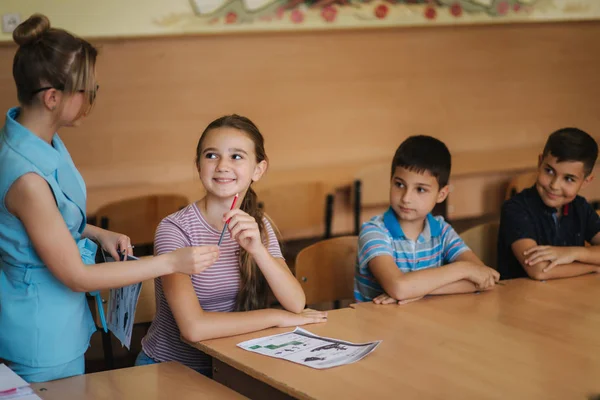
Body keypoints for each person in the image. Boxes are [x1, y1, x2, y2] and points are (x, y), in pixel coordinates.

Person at [0, 14, 216, 382]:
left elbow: (52, 220)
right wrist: (168, 262)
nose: (92, 99)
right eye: (88, 91)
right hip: (42, 333)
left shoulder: (37, 139)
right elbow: (78, 276)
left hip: (60, 318)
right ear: (53, 97)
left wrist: (95, 232)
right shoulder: (27, 178)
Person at [136, 115, 327, 376]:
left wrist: (258, 250)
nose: (222, 166)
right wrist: (274, 317)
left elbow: (295, 302)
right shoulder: (174, 229)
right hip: (171, 370)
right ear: (198, 165)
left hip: (229, 367)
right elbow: (193, 328)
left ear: (258, 170)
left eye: (236, 156)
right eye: (211, 155)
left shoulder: (258, 225)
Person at [354, 135, 499, 305]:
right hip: (378, 328)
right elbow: (398, 288)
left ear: (441, 194)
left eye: (420, 189)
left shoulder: (442, 231)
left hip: (427, 324)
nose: (406, 198)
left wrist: (418, 291)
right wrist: (463, 269)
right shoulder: (374, 232)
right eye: (399, 184)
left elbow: (484, 279)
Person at [498, 128, 600, 280]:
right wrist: (593, 266)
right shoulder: (516, 208)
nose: (554, 185)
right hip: (523, 300)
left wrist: (575, 253)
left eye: (569, 179)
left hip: (568, 295)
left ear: (585, 181)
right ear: (540, 163)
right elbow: (539, 270)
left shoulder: (581, 207)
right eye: (549, 171)